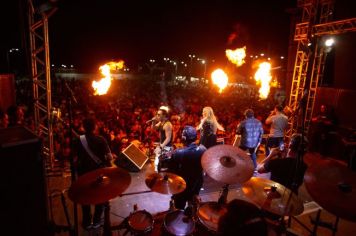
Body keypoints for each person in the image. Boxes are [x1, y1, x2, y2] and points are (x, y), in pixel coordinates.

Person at [75, 117, 113, 230]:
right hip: (98, 172)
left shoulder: (78, 140)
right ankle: (96, 221)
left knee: (85, 197)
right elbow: (109, 157)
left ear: (83, 127)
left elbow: (75, 157)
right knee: (99, 196)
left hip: (83, 173)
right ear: (94, 127)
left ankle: (87, 222)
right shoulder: (101, 140)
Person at [166, 126, 207, 210]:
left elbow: (171, 171)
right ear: (196, 137)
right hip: (197, 184)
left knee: (179, 208)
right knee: (192, 204)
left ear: (184, 138)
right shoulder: (203, 149)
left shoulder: (179, 153)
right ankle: (191, 214)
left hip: (182, 186)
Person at [151, 105, 173, 172]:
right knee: (158, 165)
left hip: (167, 148)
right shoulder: (161, 122)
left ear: (164, 115)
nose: (157, 116)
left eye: (159, 114)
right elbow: (154, 128)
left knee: (164, 167)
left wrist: (160, 147)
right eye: (157, 114)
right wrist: (153, 121)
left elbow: (168, 138)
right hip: (163, 145)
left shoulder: (167, 124)